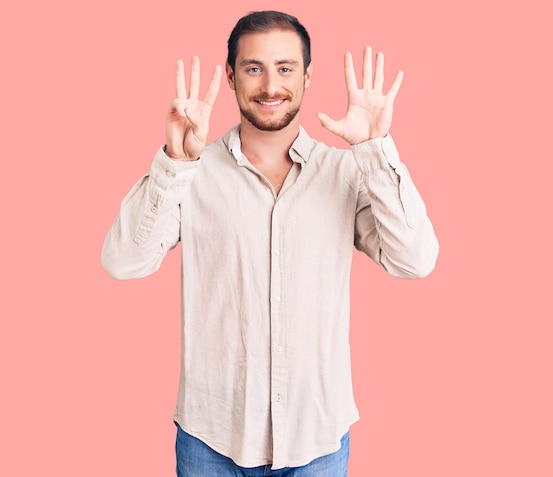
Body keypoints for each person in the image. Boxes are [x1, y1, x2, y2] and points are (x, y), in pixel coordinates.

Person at [101, 10, 439, 477]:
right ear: (231, 74)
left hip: (316, 441)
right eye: (253, 68)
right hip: (211, 441)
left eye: (284, 68)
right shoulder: (192, 172)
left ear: (307, 75)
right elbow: (122, 262)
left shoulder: (346, 172)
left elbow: (416, 260)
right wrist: (175, 162)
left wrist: (376, 148)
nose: (270, 86)